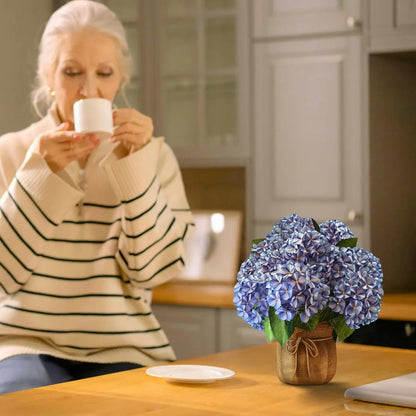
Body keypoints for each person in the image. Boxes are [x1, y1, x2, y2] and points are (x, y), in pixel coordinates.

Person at [0, 0, 193, 394]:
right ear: (47, 76)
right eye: (72, 72)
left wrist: (135, 169)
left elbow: (152, 271)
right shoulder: (10, 153)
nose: (89, 89)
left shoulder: (152, 155)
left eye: (103, 73)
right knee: (27, 400)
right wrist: (40, 175)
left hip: (127, 347)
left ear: (120, 79)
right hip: (23, 345)